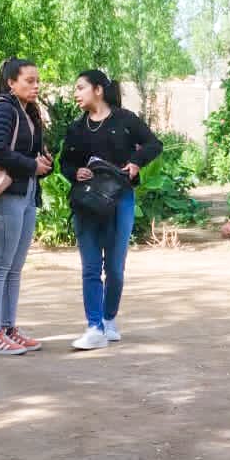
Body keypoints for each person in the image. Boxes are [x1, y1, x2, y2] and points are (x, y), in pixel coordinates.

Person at [61, 69, 161, 351]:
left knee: (115, 268)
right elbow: (65, 162)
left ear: (98, 90)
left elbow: (154, 144)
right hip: (87, 203)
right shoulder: (77, 128)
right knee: (91, 267)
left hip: (120, 199)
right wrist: (75, 172)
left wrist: (136, 162)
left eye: (80, 87)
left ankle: (108, 319)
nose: (76, 93)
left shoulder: (125, 120)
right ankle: (94, 327)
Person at [0, 58, 52, 356]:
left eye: (37, 80)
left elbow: (28, 152)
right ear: (11, 82)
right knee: (0, 265)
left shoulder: (27, 111)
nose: (36, 86)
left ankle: (7, 328)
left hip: (26, 192)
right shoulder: (2, 108)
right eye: (29, 80)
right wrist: (31, 165)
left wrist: (43, 163)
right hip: (6, 193)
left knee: (14, 267)